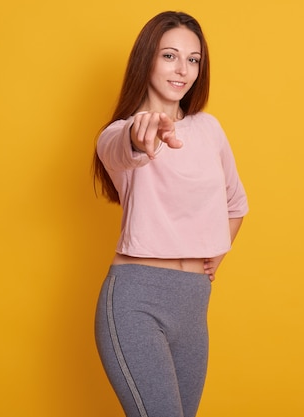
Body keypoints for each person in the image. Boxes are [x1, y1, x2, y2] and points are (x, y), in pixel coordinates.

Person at [92, 11, 248, 417]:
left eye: (193, 60)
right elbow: (120, 147)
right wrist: (140, 133)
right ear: (147, 59)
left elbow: (236, 204)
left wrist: (219, 251)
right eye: (170, 56)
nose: (183, 70)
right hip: (136, 300)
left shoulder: (209, 129)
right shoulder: (119, 132)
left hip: (194, 306)